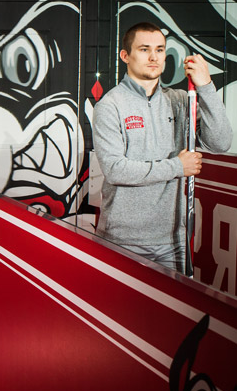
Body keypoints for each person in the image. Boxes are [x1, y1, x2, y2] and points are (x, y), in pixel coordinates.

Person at [93, 22, 233, 271]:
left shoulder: (179, 101)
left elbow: (220, 142)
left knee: (170, 311)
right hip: (124, 242)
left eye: (159, 49)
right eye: (144, 49)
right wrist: (176, 166)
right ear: (126, 55)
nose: (154, 57)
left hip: (173, 240)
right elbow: (116, 170)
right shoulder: (110, 105)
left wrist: (206, 87)